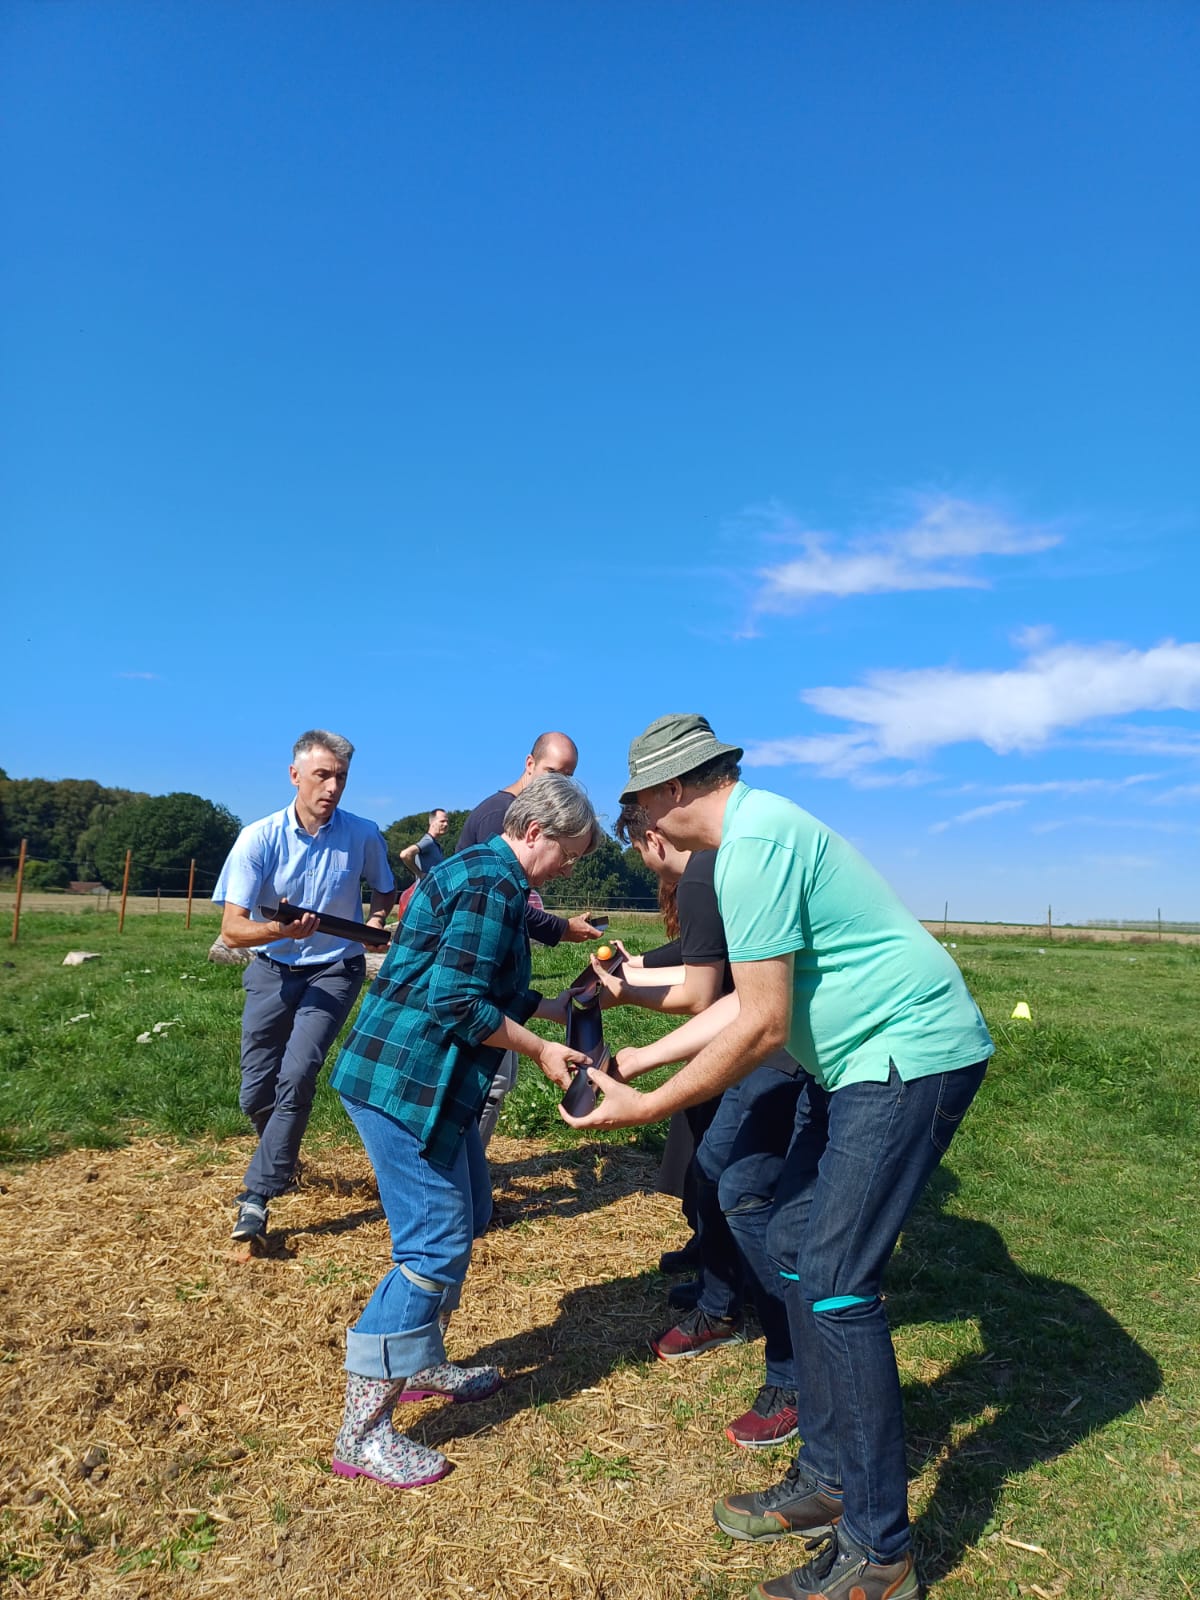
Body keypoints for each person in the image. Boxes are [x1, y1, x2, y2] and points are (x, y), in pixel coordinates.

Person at [562, 714, 994, 1600]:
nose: (637, 821)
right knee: (794, 1240)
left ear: (673, 788)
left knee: (835, 1280)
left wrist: (648, 1104)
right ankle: (830, 1479)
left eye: (637, 803)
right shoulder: (751, 839)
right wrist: (644, 1062)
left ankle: (879, 1553)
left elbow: (760, 1026)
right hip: (859, 1063)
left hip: (907, 1056)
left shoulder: (753, 847)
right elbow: (747, 1001)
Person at [327, 772, 597, 1490]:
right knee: (433, 1244)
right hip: (403, 1080)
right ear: (535, 831)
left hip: (430, 1080)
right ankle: (362, 1433)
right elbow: (455, 1002)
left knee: (469, 1212)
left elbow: (480, 981)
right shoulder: (491, 885)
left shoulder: (489, 874)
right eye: (569, 855)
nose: (568, 870)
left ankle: (419, 1363)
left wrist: (555, 1010)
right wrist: (539, 1050)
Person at [599, 801, 806, 1450]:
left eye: (637, 844)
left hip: (793, 1050)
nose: (642, 855)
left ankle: (794, 1367)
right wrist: (642, 1045)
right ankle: (723, 1302)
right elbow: (721, 979)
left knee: (744, 1190)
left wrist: (629, 1001)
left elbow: (706, 990)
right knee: (720, 1172)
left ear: (653, 833)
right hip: (774, 1037)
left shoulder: (706, 872)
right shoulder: (723, 866)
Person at [212, 730, 396, 1244]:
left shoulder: (362, 834)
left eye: (341, 777)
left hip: (334, 970)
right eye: (322, 775)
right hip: (271, 968)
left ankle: (257, 1196)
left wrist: (375, 921)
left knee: (297, 1074)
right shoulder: (258, 838)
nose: (332, 787)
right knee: (255, 1090)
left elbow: (384, 887)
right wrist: (280, 930)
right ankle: (282, 1157)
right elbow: (233, 930)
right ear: (295, 775)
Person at [458, 731, 604, 1144]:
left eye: (568, 776)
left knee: (493, 1085)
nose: (568, 870)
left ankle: (468, 1168)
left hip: (488, 993)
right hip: (473, 1002)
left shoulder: (511, 849)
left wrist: (543, 1006)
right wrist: (562, 928)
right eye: (553, 771)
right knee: (490, 1084)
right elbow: (461, 999)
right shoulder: (499, 830)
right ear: (528, 764)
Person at [398, 809, 450, 881]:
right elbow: (405, 854)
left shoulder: (435, 844)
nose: (446, 824)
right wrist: (419, 874)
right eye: (442, 821)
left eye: (447, 821)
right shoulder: (428, 842)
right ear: (432, 823)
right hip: (426, 887)